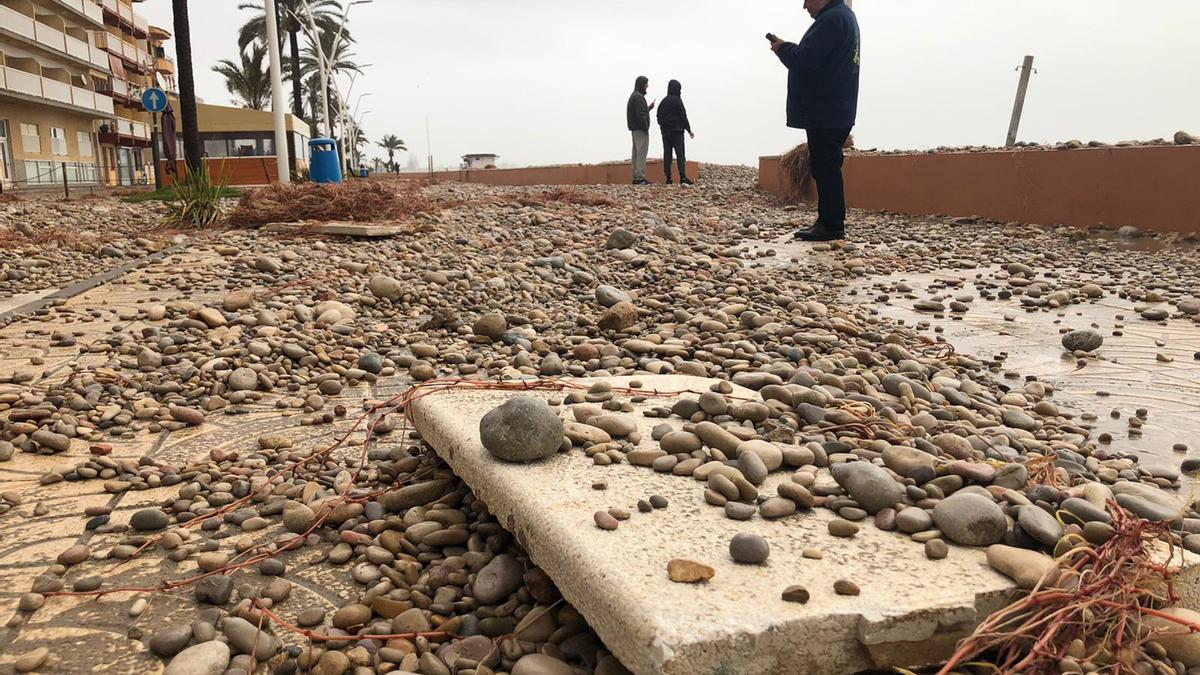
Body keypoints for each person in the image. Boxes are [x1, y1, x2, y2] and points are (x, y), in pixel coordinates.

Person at [770, 0, 860, 241]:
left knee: (826, 167)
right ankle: (829, 221)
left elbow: (805, 59)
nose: (804, 5)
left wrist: (782, 49)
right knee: (827, 165)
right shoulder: (843, 17)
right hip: (835, 108)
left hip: (827, 110)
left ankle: (830, 225)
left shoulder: (832, 20)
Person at [656, 79, 695, 185]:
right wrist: (689, 130)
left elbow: (658, 116)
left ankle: (668, 178)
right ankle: (682, 177)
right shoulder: (678, 100)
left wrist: (663, 126)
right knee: (680, 155)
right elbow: (683, 115)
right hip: (677, 132)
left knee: (667, 155)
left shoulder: (663, 101)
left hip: (665, 133)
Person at [626, 76, 655, 185]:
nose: (647, 86)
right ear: (641, 84)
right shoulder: (638, 97)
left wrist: (649, 108)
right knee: (641, 153)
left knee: (636, 153)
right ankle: (639, 178)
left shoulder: (634, 96)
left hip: (635, 129)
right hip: (640, 129)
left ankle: (636, 176)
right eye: (646, 84)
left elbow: (640, 112)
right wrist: (645, 127)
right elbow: (640, 115)